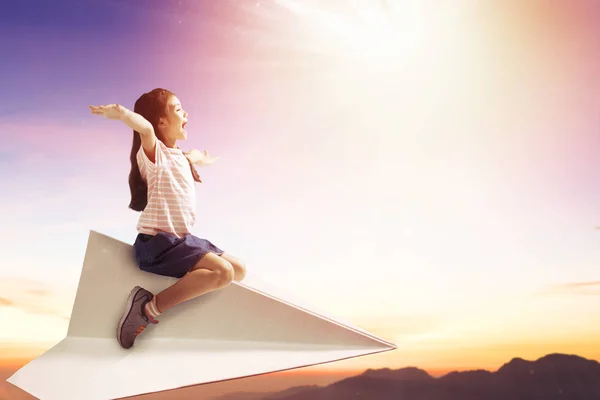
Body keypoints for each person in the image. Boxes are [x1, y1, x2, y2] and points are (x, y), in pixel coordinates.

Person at [89, 88, 247, 349]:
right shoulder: (155, 153)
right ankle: (147, 308)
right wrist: (122, 114)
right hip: (158, 244)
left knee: (238, 270)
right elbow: (145, 129)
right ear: (161, 121)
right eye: (177, 109)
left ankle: (181, 289)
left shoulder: (181, 157)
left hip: (182, 240)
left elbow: (191, 155)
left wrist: (202, 159)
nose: (185, 113)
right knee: (223, 272)